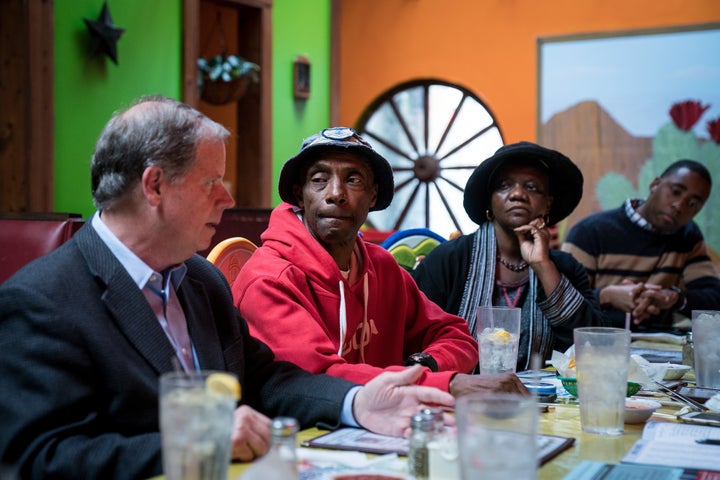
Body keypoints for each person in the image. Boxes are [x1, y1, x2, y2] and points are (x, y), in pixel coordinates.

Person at [0, 97, 456, 480]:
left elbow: (265, 379)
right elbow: (32, 459)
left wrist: (357, 402)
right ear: (155, 185)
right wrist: (196, 442)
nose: (229, 199)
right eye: (212, 182)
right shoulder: (42, 301)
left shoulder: (201, 280)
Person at [232, 127, 528, 397]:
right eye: (319, 180)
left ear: (373, 196)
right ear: (300, 195)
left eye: (353, 180)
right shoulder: (270, 279)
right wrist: (446, 383)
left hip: (382, 434)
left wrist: (421, 366)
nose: (335, 194)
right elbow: (317, 381)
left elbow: (457, 336)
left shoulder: (382, 268)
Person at [413, 142, 607, 370]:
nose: (517, 194)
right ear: (489, 201)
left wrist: (543, 267)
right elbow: (414, 339)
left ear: (547, 205)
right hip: (457, 395)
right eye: (504, 186)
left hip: (540, 401)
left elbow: (595, 348)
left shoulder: (565, 267)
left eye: (533, 187)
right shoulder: (449, 260)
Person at [562, 159, 720, 330]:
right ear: (655, 185)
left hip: (661, 348)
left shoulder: (688, 236)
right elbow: (561, 302)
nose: (679, 206)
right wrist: (607, 296)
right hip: (597, 345)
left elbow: (714, 300)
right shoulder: (590, 232)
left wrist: (674, 299)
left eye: (692, 204)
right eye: (675, 192)